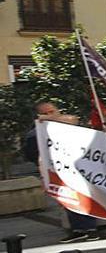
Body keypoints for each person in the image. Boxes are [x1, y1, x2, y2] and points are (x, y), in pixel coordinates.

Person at [26, 102, 99, 243]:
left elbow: (73, 119)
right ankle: (78, 229)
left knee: (81, 197)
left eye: (52, 111)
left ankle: (89, 229)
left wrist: (50, 119)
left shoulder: (65, 122)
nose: (50, 115)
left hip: (75, 168)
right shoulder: (37, 131)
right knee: (67, 199)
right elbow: (33, 152)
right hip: (56, 170)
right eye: (46, 113)